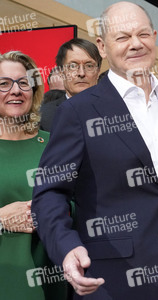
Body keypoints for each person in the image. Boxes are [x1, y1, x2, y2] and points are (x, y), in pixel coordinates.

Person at [31, 2, 158, 300]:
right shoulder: (78, 111)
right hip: (110, 280)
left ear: (154, 37)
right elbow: (50, 192)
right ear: (102, 46)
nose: (136, 44)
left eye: (142, 34)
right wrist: (66, 246)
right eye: (123, 37)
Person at [0, 51, 66, 299]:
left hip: (51, 276)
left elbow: (82, 204)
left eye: (23, 83)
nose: (15, 90)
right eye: (4, 83)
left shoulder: (54, 145)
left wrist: (53, 210)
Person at [40, 38, 102, 131]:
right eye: (73, 66)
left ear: (98, 72)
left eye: (89, 66)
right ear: (61, 72)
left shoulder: (115, 111)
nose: (81, 73)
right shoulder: (43, 117)